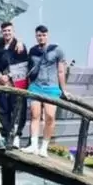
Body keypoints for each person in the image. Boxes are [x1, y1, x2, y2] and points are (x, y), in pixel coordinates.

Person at [24, 25, 68, 157]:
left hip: (51, 88)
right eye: (38, 35)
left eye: (43, 35)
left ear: (47, 35)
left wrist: (63, 90)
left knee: (50, 117)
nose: (41, 37)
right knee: (35, 116)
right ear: (36, 36)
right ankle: (33, 145)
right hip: (36, 86)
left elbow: (61, 71)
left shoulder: (57, 50)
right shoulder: (32, 50)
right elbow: (29, 69)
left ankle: (44, 147)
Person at [0, 20, 30, 148]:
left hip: (16, 83)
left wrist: (9, 76)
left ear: (13, 31)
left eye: (9, 30)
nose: (6, 33)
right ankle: (6, 134)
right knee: (2, 109)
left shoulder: (20, 46)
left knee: (17, 109)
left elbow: (23, 65)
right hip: (2, 83)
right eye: (4, 31)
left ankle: (16, 136)